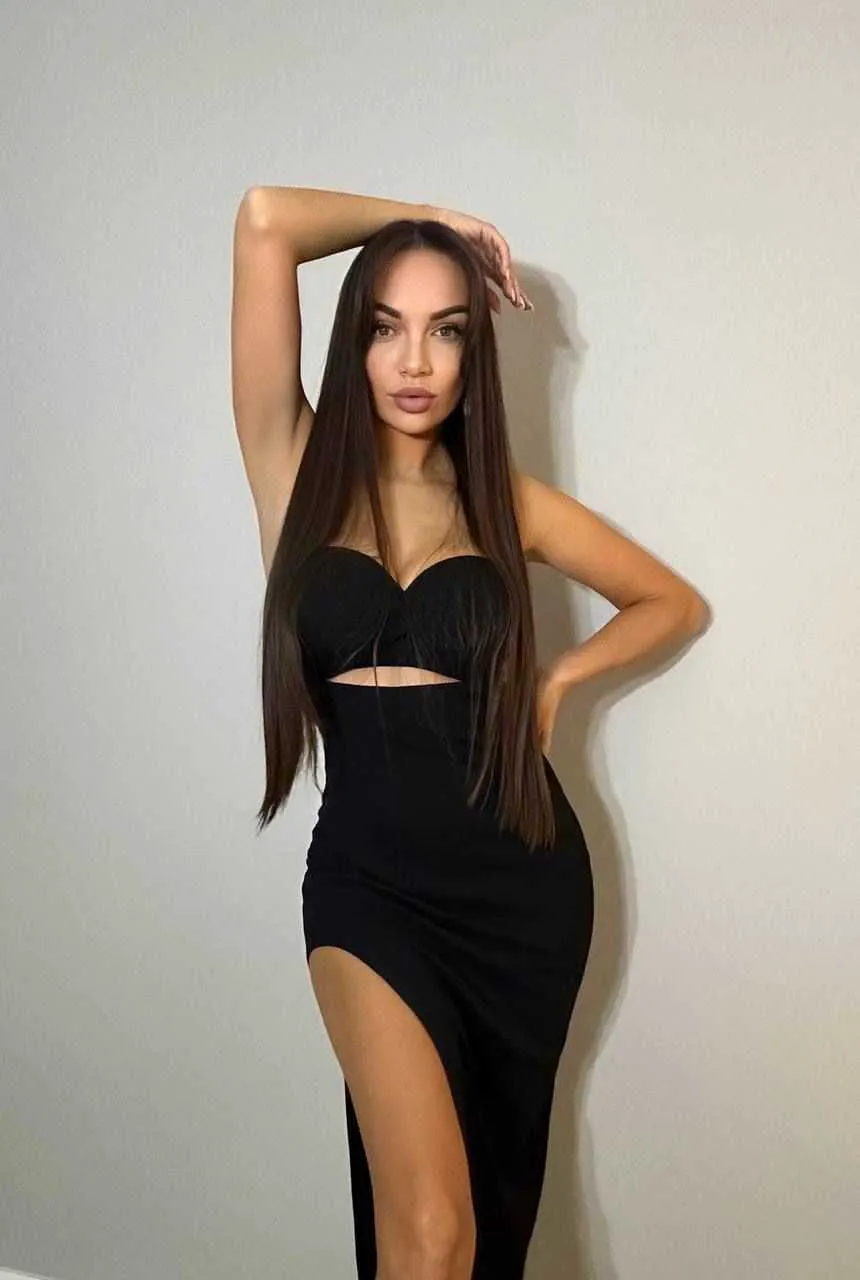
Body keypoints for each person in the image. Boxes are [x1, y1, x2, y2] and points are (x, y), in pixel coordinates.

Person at [230, 185, 707, 1280]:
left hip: (517, 888)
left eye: (446, 330)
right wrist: (430, 219)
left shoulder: (503, 502)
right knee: (433, 1228)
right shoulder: (292, 465)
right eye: (386, 326)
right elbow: (263, 222)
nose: (415, 360)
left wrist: (560, 676)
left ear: (471, 356)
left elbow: (669, 601)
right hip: (364, 888)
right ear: (353, 342)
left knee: (474, 1227)